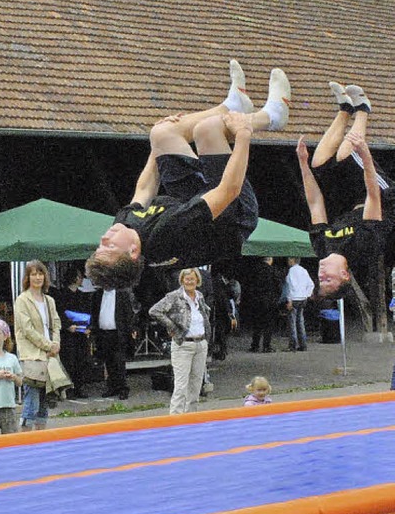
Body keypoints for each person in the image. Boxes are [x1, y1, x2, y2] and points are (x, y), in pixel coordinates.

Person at [85, 60, 291, 290]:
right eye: (109, 246)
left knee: (162, 132)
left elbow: (143, 190)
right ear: (133, 252)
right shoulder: (168, 235)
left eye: (99, 246)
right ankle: (273, 115)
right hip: (233, 213)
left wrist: (158, 145)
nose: (104, 239)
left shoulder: (123, 226)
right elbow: (229, 190)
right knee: (208, 129)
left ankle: (234, 104)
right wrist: (243, 133)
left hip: (191, 200)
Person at [296, 83, 394, 299]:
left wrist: (302, 164)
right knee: (346, 156)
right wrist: (365, 154)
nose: (321, 274)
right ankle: (362, 110)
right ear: (344, 275)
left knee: (318, 163)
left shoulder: (321, 247)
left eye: (319, 279)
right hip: (383, 196)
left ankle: (344, 109)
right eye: (328, 279)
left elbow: (315, 203)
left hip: (354, 197)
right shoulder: (363, 248)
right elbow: (373, 196)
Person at [149, 267, 211, 414]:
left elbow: (205, 314)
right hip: (183, 344)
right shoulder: (174, 296)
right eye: (187, 278)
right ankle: (175, 420)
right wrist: (172, 326)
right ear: (182, 280)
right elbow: (154, 311)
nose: (190, 281)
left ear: (197, 280)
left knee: (196, 386)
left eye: (192, 278)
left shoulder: (200, 296)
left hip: (201, 344)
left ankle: (191, 418)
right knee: (181, 386)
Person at [14, 260, 61, 431]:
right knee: (31, 402)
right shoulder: (22, 300)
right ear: (27, 277)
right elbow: (27, 330)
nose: (38, 277)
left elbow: (56, 324)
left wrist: (55, 344)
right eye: (33, 274)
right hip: (32, 355)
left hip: (50, 355)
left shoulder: (49, 300)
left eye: (40, 273)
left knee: (44, 403)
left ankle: (42, 438)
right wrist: (48, 345)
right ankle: (26, 438)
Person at [90, 286, 138, 400]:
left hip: (118, 333)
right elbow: (95, 313)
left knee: (119, 361)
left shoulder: (122, 294)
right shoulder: (97, 295)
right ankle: (112, 386)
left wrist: (131, 329)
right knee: (108, 360)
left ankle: (123, 388)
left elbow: (128, 313)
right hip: (103, 333)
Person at [54, 265, 92, 398]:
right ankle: (69, 388)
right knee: (69, 360)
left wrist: (88, 328)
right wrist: (67, 325)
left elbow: (87, 312)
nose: (82, 279)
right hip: (68, 334)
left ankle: (79, 388)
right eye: (80, 277)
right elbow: (59, 313)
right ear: (75, 278)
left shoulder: (82, 296)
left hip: (81, 333)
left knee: (81, 361)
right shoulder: (61, 295)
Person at [249, 257, 283, 353]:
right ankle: (266, 346)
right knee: (268, 324)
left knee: (257, 324)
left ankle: (255, 345)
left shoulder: (256, 271)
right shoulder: (273, 271)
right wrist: (276, 298)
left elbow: (251, 286)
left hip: (257, 300)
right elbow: (279, 287)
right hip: (270, 301)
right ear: (270, 260)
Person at [282, 258, 314, 352]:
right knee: (300, 321)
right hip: (303, 299)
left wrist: (289, 300)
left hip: (294, 299)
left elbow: (289, 287)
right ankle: (303, 344)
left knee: (292, 323)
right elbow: (311, 284)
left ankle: (293, 345)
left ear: (293, 260)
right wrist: (307, 294)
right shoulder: (304, 270)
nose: (287, 261)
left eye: (289, 259)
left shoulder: (291, 271)